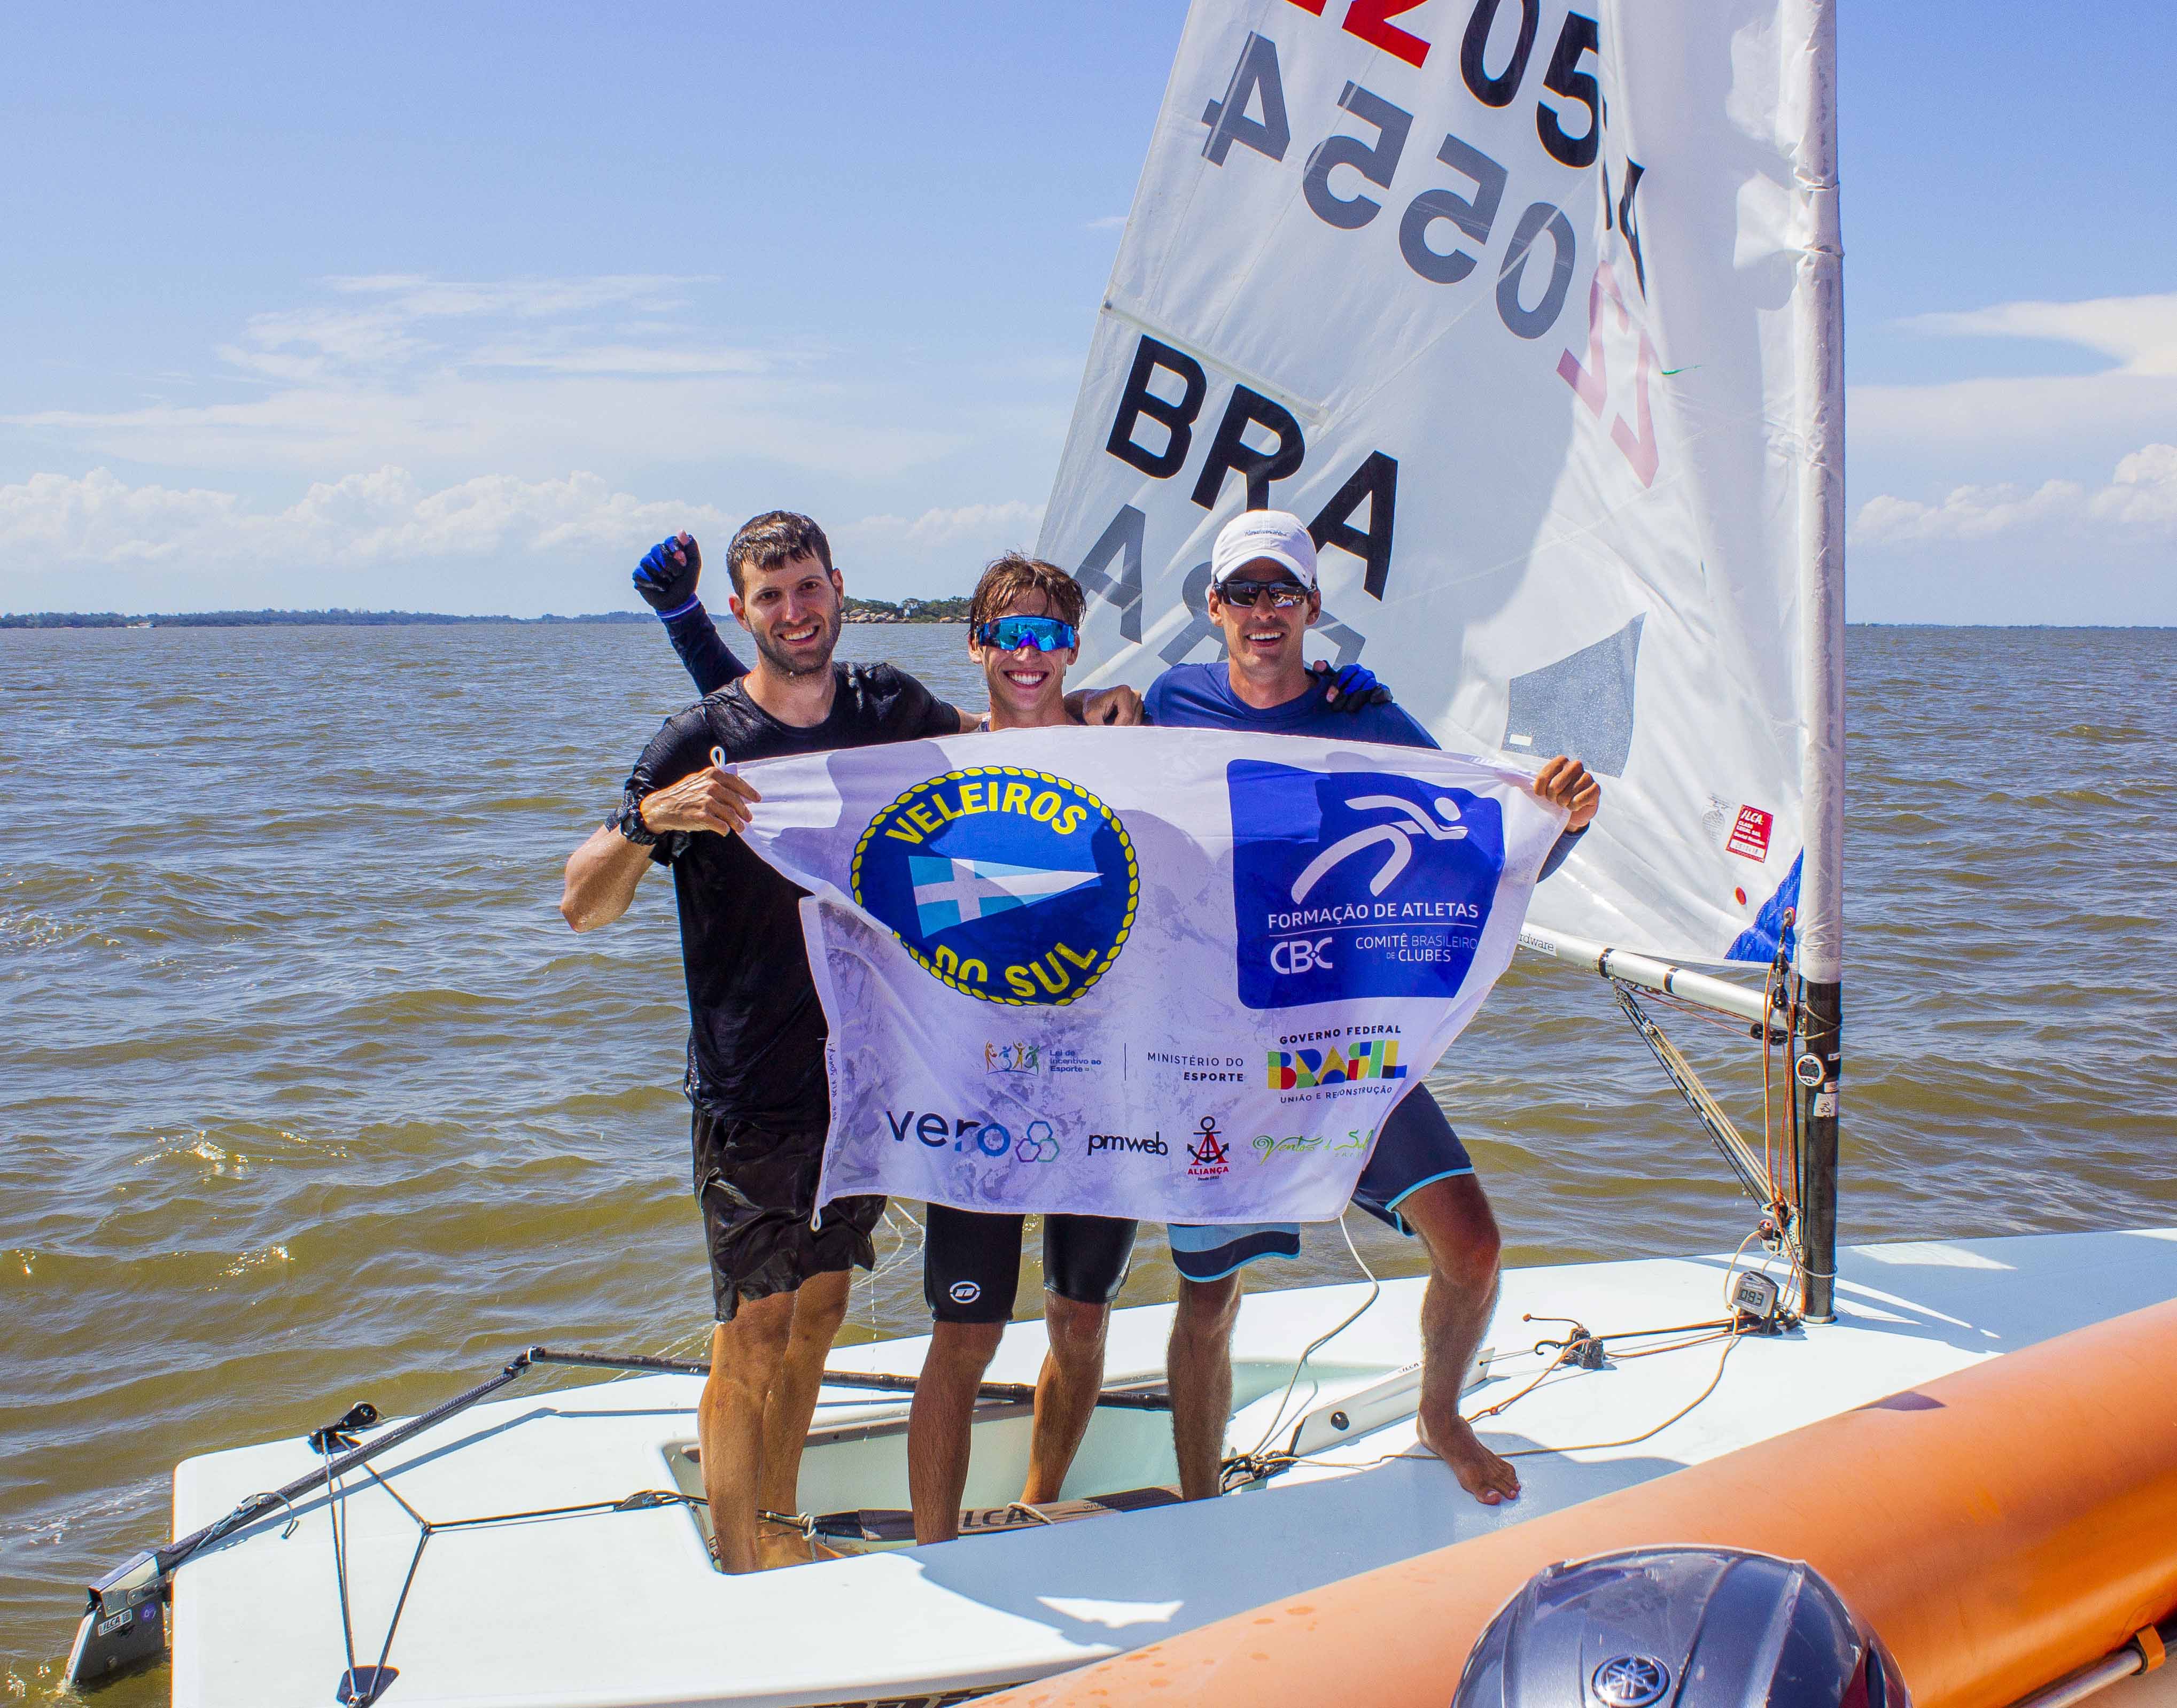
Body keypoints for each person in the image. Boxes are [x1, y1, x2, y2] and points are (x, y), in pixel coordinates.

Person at [559, 514, 1135, 1574]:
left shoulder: (886, 709)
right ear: (742, 611)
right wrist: (655, 818)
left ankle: (775, 1523)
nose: (795, 610)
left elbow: (1002, 736)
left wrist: (1107, 715)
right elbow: (581, 904)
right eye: (771, 596)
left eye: (809, 588)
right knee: (752, 1337)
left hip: (864, 1081)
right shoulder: (695, 742)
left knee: (820, 1313)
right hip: (749, 1091)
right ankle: (740, 1570)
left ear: (838, 590)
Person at [1145, 508, 1602, 1510]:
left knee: (1472, 1245)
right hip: (1222, 1049)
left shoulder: (1370, 720)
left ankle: (1440, 1417)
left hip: (1341, 1043)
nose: (1263, 613)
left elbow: (1469, 848)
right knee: (1208, 1299)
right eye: (1244, 593)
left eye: (1283, 593)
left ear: (1311, 607)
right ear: (1213, 607)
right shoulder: (1167, 703)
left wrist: (1555, 822)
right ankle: (1194, 1496)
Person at [903, 553, 1145, 1543]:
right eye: (1010, 634)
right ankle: (933, 1549)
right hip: (976, 1092)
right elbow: (780, 721)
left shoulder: (1131, 744)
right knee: (964, 1330)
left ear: (1074, 647)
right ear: (977, 646)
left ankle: (1041, 1500)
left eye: (1049, 636)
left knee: (1080, 1321)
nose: (1029, 653)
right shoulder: (931, 755)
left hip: (1101, 1084)